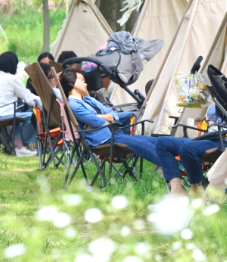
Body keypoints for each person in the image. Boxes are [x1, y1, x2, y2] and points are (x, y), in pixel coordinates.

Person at [60, 68, 186, 196]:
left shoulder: (88, 100)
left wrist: (102, 117)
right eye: (81, 80)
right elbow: (99, 123)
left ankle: (189, 154)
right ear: (71, 83)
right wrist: (104, 118)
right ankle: (178, 176)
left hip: (115, 134)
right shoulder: (74, 104)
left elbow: (114, 115)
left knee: (159, 141)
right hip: (105, 140)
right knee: (147, 146)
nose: (85, 83)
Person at [175, 79, 227, 194]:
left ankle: (196, 188)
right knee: (163, 143)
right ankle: (177, 188)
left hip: (223, 139)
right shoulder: (219, 108)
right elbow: (211, 114)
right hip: (210, 136)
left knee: (187, 149)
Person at [0, 51, 41, 158]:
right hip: (3, 114)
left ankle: (18, 145)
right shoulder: (13, 79)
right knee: (31, 115)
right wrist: (43, 101)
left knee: (18, 114)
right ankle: (22, 145)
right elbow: (28, 98)